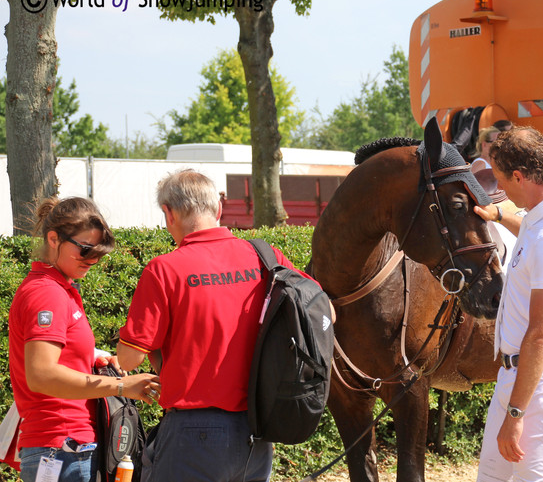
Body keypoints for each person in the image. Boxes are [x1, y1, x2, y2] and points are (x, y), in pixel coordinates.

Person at [116, 169, 320, 482]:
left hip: (192, 431)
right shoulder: (266, 257)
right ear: (219, 209)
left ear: (168, 213)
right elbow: (316, 309)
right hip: (258, 429)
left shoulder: (165, 269)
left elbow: (129, 359)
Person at [8, 196, 160, 482]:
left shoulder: (57, 289)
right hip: (62, 448)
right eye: (86, 250)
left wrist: (93, 360)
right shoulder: (47, 293)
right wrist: (120, 386)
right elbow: (41, 374)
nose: (93, 260)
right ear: (53, 239)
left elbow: (52, 362)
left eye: (99, 253)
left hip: (63, 447)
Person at [473, 126, 543, 482]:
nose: (499, 190)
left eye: (502, 181)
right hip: (520, 376)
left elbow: (541, 334)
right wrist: (498, 217)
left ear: (520, 176)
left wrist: (516, 414)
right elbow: (529, 233)